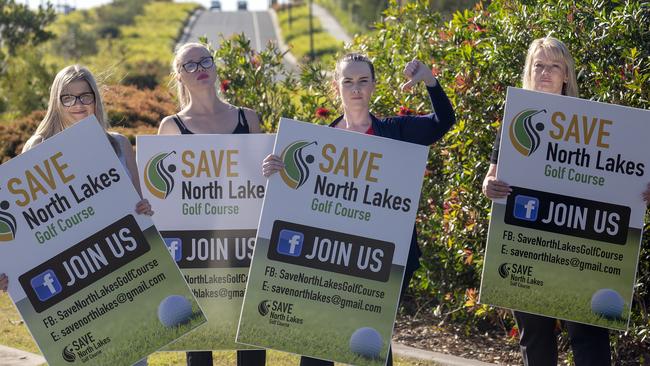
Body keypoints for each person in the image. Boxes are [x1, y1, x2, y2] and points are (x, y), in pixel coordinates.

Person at [262, 53, 456, 366]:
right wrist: (274, 170)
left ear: (373, 85)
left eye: (363, 81)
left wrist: (430, 81)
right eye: (348, 81)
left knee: (369, 338)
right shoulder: (314, 143)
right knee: (317, 337)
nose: (356, 88)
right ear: (335, 86)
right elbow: (296, 200)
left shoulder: (395, 132)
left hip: (380, 256)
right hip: (327, 255)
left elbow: (443, 122)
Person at [3, 64, 152, 366]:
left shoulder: (119, 144)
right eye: (68, 98)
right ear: (55, 103)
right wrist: (10, 269)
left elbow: (139, 206)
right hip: (70, 281)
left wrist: (145, 209)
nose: (78, 104)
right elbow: (26, 224)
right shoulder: (37, 147)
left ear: (96, 99)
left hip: (121, 267)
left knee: (135, 355)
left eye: (85, 96)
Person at [481, 36, 611, 366]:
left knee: (589, 336)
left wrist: (639, 193)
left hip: (579, 247)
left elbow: (618, 178)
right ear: (529, 71)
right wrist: (489, 185)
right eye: (539, 65)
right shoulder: (515, 119)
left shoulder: (596, 123)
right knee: (535, 338)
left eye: (555, 66)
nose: (546, 72)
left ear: (566, 74)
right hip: (528, 243)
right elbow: (492, 176)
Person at [158, 42, 265, 366]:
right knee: (200, 347)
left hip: (243, 244)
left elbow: (260, 183)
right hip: (195, 251)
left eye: (205, 60)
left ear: (215, 67)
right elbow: (164, 197)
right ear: (179, 75)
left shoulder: (249, 118)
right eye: (189, 64)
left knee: (250, 341)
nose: (199, 67)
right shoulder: (171, 127)